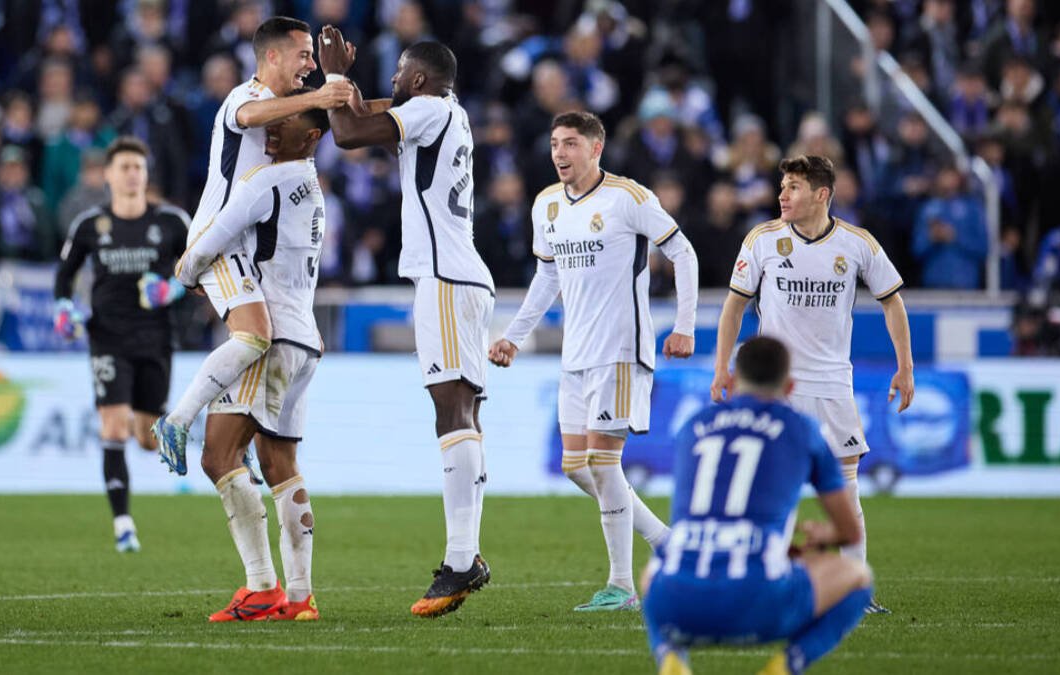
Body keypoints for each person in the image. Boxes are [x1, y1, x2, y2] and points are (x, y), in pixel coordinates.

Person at [488, 111, 699, 611]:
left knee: (604, 465)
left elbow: (683, 253)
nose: (560, 153)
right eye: (555, 144)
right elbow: (547, 278)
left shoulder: (629, 198)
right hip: (575, 353)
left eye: (571, 144)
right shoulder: (546, 206)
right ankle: (668, 543)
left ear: (596, 148)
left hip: (621, 350)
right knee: (575, 466)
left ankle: (623, 585)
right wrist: (514, 336)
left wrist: (685, 324)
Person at [318, 27, 494, 618]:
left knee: (451, 409)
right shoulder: (449, 111)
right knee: (464, 412)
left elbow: (347, 133)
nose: (390, 81)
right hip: (463, 273)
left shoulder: (423, 109)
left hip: (444, 275)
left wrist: (333, 75)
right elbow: (371, 111)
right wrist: (352, 83)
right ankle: (466, 554)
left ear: (418, 81)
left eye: (397, 73)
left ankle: (463, 559)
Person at [710, 155, 914, 615]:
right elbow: (733, 307)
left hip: (832, 384)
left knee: (845, 487)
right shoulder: (763, 240)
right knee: (766, 486)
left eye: (794, 187)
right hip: (772, 386)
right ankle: (761, 582)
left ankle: (855, 590)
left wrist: (906, 366)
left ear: (822, 194)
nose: (782, 194)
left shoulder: (856, 244)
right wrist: (722, 367)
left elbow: (893, 302)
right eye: (782, 186)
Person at [150, 16, 352, 474]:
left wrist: (393, 102)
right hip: (216, 237)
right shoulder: (246, 96)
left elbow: (335, 114)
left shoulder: (289, 106)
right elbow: (248, 118)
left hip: (245, 245)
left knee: (268, 336)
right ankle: (177, 421)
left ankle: (237, 434)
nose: (310, 65)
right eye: (303, 55)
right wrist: (321, 94)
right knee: (257, 334)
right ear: (272, 56)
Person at [175, 99, 330, 623]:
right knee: (279, 465)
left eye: (283, 124)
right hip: (305, 339)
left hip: (271, 339)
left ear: (309, 138)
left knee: (218, 457)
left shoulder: (267, 182)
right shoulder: (311, 184)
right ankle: (301, 596)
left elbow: (209, 240)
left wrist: (188, 273)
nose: (271, 127)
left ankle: (262, 588)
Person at [643, 336, 872, 675]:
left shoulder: (694, 426)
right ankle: (785, 666)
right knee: (857, 575)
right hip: (757, 602)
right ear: (790, 386)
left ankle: (670, 656)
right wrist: (822, 536)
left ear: (732, 381)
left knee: (652, 571)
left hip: (676, 604)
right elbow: (850, 532)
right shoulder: (803, 429)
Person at [52, 136, 190, 553]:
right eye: (124, 167)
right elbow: (65, 275)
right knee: (112, 425)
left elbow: (197, 270)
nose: (132, 174)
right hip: (107, 338)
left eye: (138, 167)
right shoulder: (90, 226)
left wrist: (172, 291)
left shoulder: (172, 222)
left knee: (148, 440)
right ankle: (123, 524)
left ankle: (146, 424)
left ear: (145, 176)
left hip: (155, 339)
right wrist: (63, 308)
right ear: (108, 176)